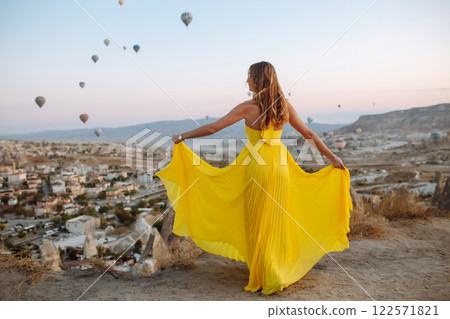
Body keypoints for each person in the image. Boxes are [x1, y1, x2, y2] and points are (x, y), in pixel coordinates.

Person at [155, 61, 353, 295]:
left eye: (249, 76)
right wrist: (332, 158)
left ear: (257, 79)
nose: (246, 81)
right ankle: (276, 269)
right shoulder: (284, 106)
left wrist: (182, 136)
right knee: (277, 219)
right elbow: (309, 134)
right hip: (280, 167)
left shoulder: (247, 107)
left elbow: (212, 129)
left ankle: (264, 273)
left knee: (257, 220)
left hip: (256, 167)